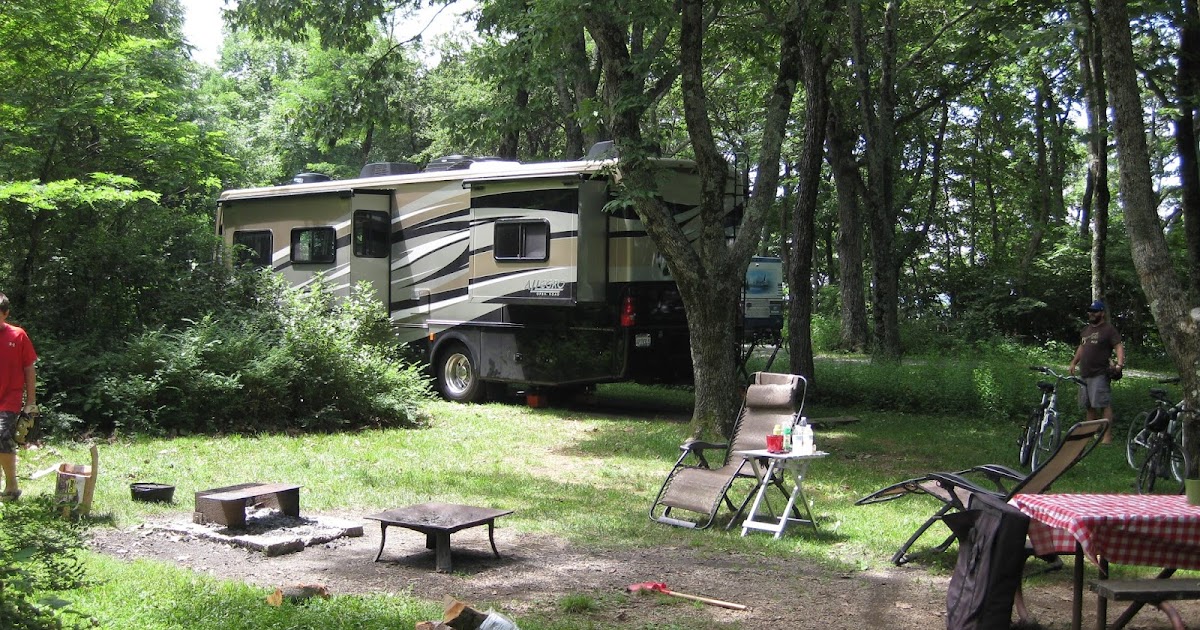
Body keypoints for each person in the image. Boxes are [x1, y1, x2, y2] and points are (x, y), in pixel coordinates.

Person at [1068, 299, 1124, 444]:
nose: (1091, 314)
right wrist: (1074, 362)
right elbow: (1082, 347)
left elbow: (1118, 346)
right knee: (1089, 406)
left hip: (1100, 373)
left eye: (1095, 311)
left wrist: (1119, 364)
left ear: (1102, 313)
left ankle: (1107, 437)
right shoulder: (1086, 330)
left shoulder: (1108, 329)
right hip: (1085, 373)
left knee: (1103, 404)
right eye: (1090, 311)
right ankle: (1089, 434)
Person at [0, 292, 37, 501]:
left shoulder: (18, 335)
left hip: (9, 398)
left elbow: (29, 367)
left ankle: (12, 485)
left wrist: (31, 401)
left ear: (6, 314)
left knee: (2, 437)